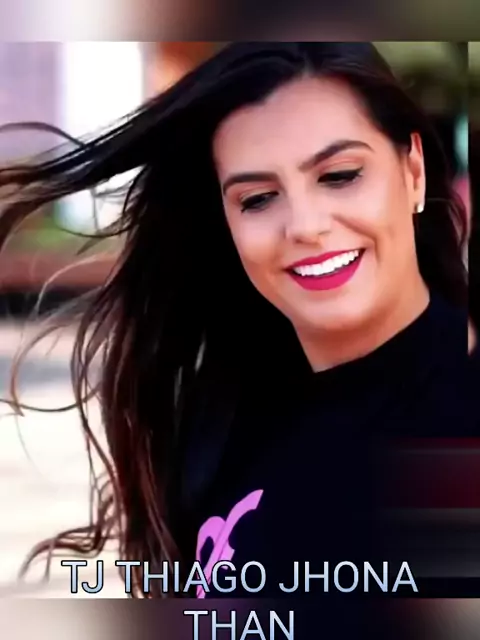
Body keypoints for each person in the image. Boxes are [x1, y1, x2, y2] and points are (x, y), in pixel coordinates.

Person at [0, 43, 477, 613]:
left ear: (413, 172)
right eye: (257, 199)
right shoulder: (222, 412)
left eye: (340, 175)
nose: (305, 226)